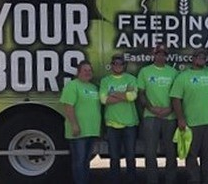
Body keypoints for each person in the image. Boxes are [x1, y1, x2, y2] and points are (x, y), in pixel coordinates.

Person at [170, 49, 208, 184]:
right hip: (191, 123)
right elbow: (175, 99)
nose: (201, 59)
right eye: (198, 56)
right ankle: (194, 179)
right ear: (192, 59)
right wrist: (180, 118)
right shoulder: (183, 76)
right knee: (191, 155)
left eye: (204, 57)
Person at [137, 44, 179, 184]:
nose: (161, 56)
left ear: (167, 56)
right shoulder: (144, 71)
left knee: (171, 152)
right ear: (153, 55)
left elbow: (177, 95)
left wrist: (170, 109)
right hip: (151, 116)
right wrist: (150, 108)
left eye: (163, 54)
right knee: (150, 152)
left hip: (170, 116)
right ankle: (152, 180)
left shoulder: (173, 72)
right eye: (158, 53)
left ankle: (171, 180)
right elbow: (141, 93)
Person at [60, 60, 101, 184]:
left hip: (91, 131)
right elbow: (68, 107)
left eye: (89, 70)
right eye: (85, 70)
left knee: (86, 161)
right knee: (79, 161)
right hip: (78, 132)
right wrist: (74, 125)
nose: (87, 73)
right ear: (78, 72)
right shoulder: (72, 86)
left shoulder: (93, 87)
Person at [100, 55, 139, 183]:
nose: (118, 66)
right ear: (111, 65)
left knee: (130, 156)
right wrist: (124, 95)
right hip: (112, 124)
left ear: (124, 65)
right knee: (114, 157)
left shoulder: (131, 79)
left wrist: (114, 94)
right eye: (115, 63)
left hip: (130, 124)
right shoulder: (105, 80)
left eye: (120, 63)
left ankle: (132, 180)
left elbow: (133, 96)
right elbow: (103, 99)